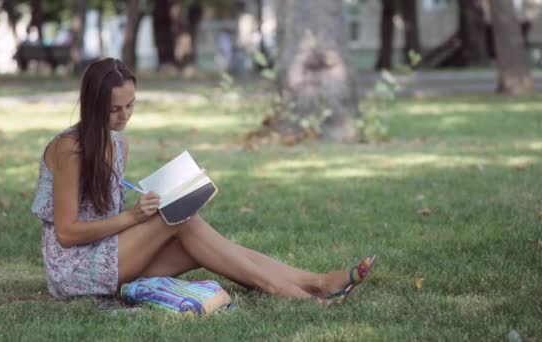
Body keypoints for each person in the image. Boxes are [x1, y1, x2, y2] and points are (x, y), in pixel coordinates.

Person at [31, 58, 375, 304]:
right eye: (114, 109)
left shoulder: (118, 143)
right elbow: (67, 232)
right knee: (181, 220)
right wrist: (135, 217)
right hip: (74, 268)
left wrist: (154, 205)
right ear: (93, 106)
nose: (124, 117)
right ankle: (296, 292)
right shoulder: (69, 149)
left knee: (205, 244)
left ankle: (316, 282)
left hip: (110, 252)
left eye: (131, 105)